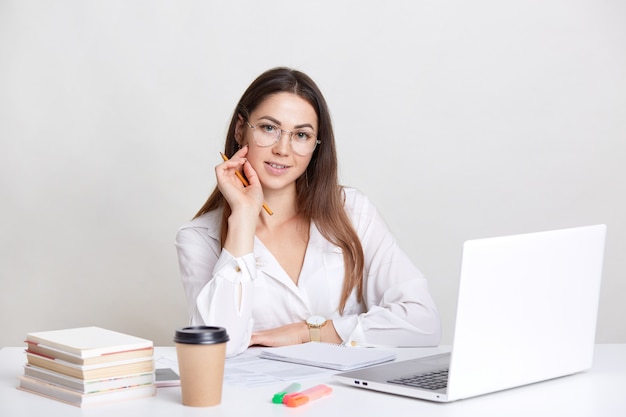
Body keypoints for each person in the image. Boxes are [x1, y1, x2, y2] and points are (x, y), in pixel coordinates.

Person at [175, 67, 441, 357]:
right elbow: (216, 348)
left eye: (301, 134)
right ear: (241, 129)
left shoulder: (351, 211)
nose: (283, 149)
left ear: (315, 146)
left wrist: (309, 332)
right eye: (268, 128)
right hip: (258, 400)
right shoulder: (198, 238)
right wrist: (243, 219)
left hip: (349, 396)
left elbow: (423, 321)